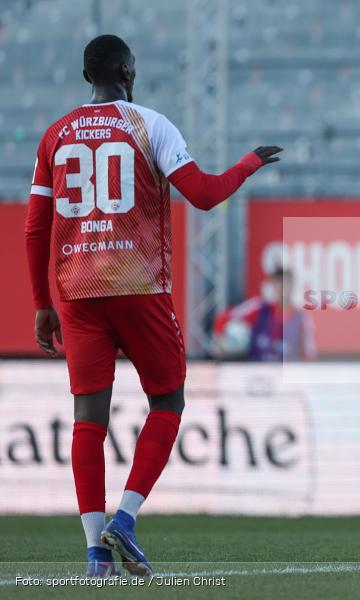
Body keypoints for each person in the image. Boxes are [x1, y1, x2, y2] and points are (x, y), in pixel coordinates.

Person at [23, 34, 281, 577]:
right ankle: (127, 517)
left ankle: (96, 553)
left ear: (86, 75)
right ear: (126, 70)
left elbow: (35, 227)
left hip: (76, 290)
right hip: (139, 286)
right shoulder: (150, 124)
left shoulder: (55, 135)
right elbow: (207, 195)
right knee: (167, 401)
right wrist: (250, 162)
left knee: (87, 421)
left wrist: (41, 302)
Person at [212, 268, 316, 361]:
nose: (283, 288)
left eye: (286, 283)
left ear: (292, 286)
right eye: (278, 283)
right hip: (257, 373)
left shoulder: (301, 318)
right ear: (273, 286)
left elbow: (308, 354)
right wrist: (219, 340)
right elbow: (226, 316)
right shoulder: (258, 307)